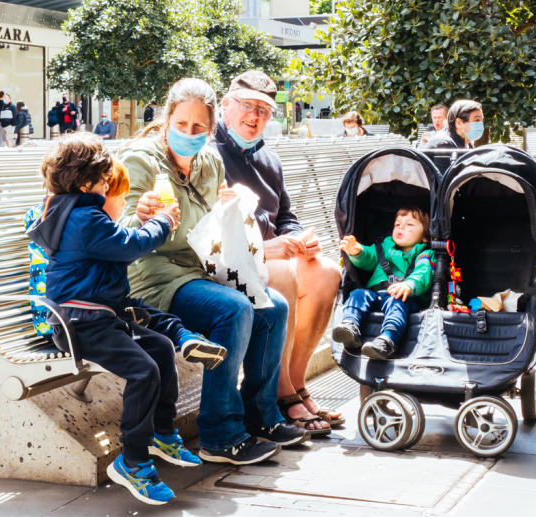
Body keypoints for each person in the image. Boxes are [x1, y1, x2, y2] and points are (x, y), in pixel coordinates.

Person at [120, 78, 308, 467]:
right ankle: (220, 433)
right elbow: (118, 226)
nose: (189, 134)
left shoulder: (210, 161)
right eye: (182, 125)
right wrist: (139, 215)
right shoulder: (141, 159)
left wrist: (230, 208)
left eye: (198, 129)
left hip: (199, 268)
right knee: (234, 308)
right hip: (153, 276)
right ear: (167, 118)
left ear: (210, 129)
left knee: (273, 306)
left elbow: (216, 225)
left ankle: (262, 415)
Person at [26, 133, 213, 505]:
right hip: (80, 323)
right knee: (143, 370)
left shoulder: (78, 212)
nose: (109, 183)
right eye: (104, 178)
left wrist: (150, 220)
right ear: (85, 182)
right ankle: (133, 461)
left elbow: (117, 240)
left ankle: (161, 434)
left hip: (96, 317)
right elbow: (129, 247)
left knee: (159, 348)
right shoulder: (83, 217)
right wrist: (161, 222)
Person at [213, 70, 342, 434]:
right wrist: (264, 248)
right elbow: (210, 228)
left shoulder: (269, 158)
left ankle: (297, 383)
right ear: (226, 104)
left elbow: (286, 215)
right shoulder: (209, 155)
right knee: (284, 272)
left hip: (269, 256)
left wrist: (300, 237)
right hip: (227, 262)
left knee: (327, 271)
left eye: (265, 111)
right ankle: (281, 392)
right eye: (248, 106)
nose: (255, 117)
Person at [333, 207, 435, 360]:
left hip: (403, 298)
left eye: (410, 225)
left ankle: (387, 340)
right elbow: (368, 257)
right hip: (375, 294)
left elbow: (423, 273)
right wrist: (356, 250)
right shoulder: (383, 247)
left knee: (397, 302)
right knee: (357, 293)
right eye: (398, 224)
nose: (401, 228)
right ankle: (350, 325)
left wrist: (408, 285)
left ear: (425, 237)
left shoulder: (425, 254)